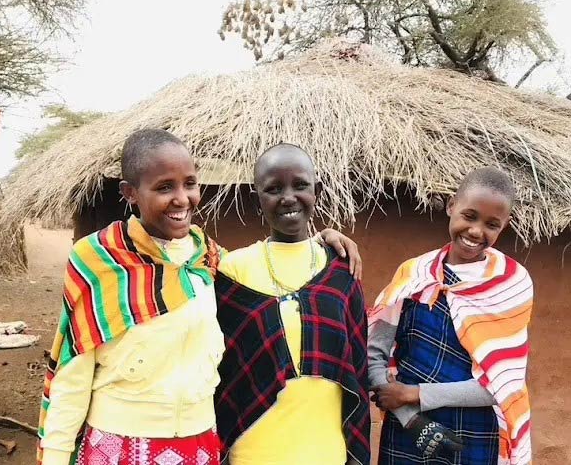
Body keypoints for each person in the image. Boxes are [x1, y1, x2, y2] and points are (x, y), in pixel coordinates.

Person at [38, 129, 362, 465]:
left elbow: (274, 261)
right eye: (165, 187)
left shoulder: (208, 261)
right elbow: (72, 373)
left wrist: (320, 240)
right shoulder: (97, 260)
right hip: (119, 446)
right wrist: (56, 456)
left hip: (200, 445)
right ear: (130, 193)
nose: (181, 198)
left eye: (189, 183)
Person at [215, 143, 371, 465]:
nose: (288, 197)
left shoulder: (341, 270)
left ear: (316, 190)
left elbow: (357, 366)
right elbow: (219, 367)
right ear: (259, 199)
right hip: (253, 450)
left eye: (300, 185)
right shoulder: (232, 270)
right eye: (274, 188)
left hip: (326, 451)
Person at [368, 167, 533, 465]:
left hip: (472, 436)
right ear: (451, 205)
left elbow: (502, 386)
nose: (476, 231)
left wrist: (416, 394)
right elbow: (372, 354)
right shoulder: (413, 274)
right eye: (469, 216)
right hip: (407, 428)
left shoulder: (511, 285)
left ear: (504, 225)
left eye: (491, 224)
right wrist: (410, 418)